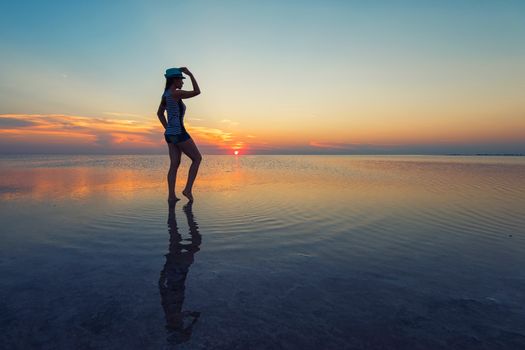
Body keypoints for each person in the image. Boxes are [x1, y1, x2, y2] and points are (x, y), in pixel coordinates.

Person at [157, 67, 202, 203]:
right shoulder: (175, 94)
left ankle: (171, 196)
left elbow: (159, 114)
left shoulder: (165, 94)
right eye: (181, 80)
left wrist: (168, 128)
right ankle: (187, 189)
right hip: (179, 132)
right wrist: (191, 74)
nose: (182, 82)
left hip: (169, 135)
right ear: (174, 80)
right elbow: (197, 92)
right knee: (197, 158)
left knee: (174, 164)